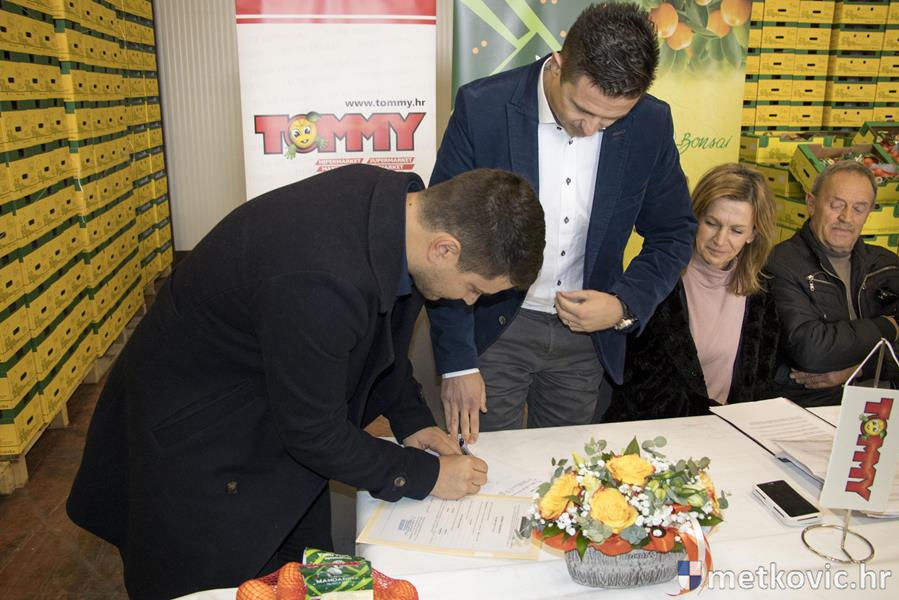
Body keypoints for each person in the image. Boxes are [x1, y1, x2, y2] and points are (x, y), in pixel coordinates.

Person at [66, 164, 545, 600]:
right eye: (474, 289)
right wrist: (426, 476)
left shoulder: (399, 212)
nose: (467, 303)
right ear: (444, 248)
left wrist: (412, 420)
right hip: (198, 444)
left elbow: (378, 341)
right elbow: (313, 431)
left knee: (301, 572)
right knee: (227, 585)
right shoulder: (322, 278)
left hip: (266, 405)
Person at [427, 2, 696, 440]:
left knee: (566, 467)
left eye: (611, 120)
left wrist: (624, 304)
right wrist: (458, 362)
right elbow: (441, 239)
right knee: (487, 462)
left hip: (585, 338)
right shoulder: (483, 108)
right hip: (494, 328)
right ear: (557, 64)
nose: (591, 129)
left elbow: (674, 233)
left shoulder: (651, 122)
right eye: (581, 109)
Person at [606, 164, 779, 420]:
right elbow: (641, 388)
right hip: (661, 429)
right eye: (711, 223)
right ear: (695, 217)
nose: (720, 240)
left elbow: (758, 385)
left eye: (736, 230)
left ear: (753, 234)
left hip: (731, 431)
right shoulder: (657, 279)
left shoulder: (761, 291)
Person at [767, 160, 899, 406]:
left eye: (859, 208)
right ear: (811, 203)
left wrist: (859, 369)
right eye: (836, 205)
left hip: (883, 407)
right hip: (812, 407)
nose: (846, 217)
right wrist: (887, 327)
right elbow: (811, 350)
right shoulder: (781, 263)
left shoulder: (887, 264)